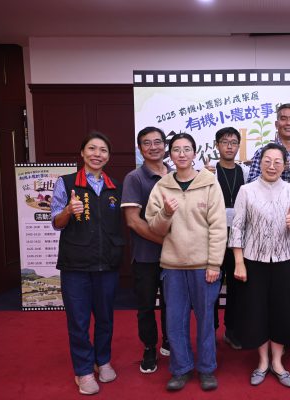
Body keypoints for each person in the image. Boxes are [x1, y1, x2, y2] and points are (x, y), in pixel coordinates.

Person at [145, 133, 227, 392]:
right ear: (170, 154)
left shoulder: (209, 183)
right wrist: (166, 212)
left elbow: (218, 227)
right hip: (173, 266)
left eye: (187, 149)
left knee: (206, 320)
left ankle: (206, 368)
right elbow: (155, 228)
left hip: (204, 266)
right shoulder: (162, 186)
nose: (182, 154)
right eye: (177, 149)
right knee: (175, 321)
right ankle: (180, 369)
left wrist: (214, 264)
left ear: (194, 153)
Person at [230, 143, 290, 388]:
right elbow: (237, 227)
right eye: (267, 160)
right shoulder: (246, 190)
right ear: (260, 163)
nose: (272, 166)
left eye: (277, 162)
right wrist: (239, 262)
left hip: (286, 260)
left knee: (282, 311)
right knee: (257, 311)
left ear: (285, 165)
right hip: (254, 261)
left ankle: (277, 362)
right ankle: (262, 361)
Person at [51, 131, 124, 395]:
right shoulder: (66, 183)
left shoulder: (115, 187)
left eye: (103, 150)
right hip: (76, 266)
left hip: (107, 264)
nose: (97, 154)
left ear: (108, 156)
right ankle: (83, 370)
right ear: (82, 153)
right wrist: (68, 211)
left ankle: (102, 360)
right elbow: (56, 223)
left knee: (105, 318)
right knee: (79, 321)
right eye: (92, 149)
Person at [247, 103, 290, 356]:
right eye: (283, 119)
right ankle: (272, 334)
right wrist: (274, 171)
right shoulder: (264, 152)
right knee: (275, 286)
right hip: (267, 229)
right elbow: (251, 184)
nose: (288, 123)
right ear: (276, 124)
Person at [121, 126, 171, 374]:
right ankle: (149, 348)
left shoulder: (176, 174)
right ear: (140, 149)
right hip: (145, 256)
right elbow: (133, 221)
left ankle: (170, 340)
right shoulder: (134, 178)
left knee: (173, 303)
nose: (153, 147)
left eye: (158, 142)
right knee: (146, 306)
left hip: (175, 257)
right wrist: (166, 242)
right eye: (147, 143)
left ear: (165, 146)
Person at [204, 126, 250, 350]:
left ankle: (232, 330)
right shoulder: (208, 172)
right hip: (213, 238)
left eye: (233, 143)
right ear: (217, 145)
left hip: (239, 239)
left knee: (237, 288)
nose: (229, 147)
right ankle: (210, 331)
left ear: (238, 146)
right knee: (210, 287)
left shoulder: (245, 172)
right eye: (224, 142)